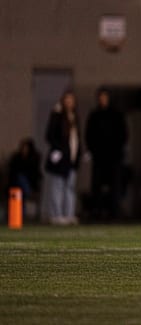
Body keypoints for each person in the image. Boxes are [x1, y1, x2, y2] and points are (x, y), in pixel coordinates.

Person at [85, 86, 128, 221]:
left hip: (114, 157)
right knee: (96, 186)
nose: (103, 100)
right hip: (99, 157)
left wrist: (117, 150)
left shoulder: (116, 114)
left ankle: (114, 213)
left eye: (105, 97)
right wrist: (93, 150)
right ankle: (96, 212)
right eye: (101, 97)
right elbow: (89, 135)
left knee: (114, 187)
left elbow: (123, 134)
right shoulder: (94, 115)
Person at [44, 89, 82, 225]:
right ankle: (56, 215)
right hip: (59, 159)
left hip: (71, 159)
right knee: (57, 187)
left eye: (71, 100)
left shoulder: (74, 117)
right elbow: (49, 135)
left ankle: (69, 214)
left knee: (70, 188)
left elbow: (76, 139)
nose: (69, 102)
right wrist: (57, 149)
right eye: (67, 99)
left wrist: (78, 156)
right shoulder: (57, 115)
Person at [7, 137, 43, 219]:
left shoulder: (33, 158)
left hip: (30, 184)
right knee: (19, 186)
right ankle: (18, 215)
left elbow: (34, 173)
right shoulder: (16, 158)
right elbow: (12, 172)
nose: (24, 150)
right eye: (23, 147)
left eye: (26, 148)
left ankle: (26, 191)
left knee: (21, 181)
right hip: (17, 186)